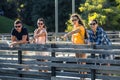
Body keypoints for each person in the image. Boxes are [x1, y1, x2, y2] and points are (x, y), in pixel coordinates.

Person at [63, 13, 87, 80]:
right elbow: (73, 37)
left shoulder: (81, 27)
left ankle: (84, 79)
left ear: (78, 19)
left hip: (82, 47)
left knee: (83, 65)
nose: (74, 21)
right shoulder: (74, 27)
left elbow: (74, 32)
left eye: (75, 20)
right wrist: (72, 43)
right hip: (76, 48)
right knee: (78, 64)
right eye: (72, 20)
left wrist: (67, 34)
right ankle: (80, 78)